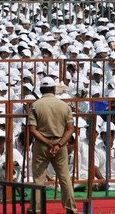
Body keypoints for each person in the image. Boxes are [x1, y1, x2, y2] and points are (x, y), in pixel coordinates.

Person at [27, 76, 76, 214]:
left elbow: (32, 130)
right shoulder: (63, 105)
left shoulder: (36, 105)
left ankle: (36, 209)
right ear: (54, 89)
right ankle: (70, 207)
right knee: (65, 177)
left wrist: (48, 143)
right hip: (60, 143)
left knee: (39, 178)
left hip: (42, 144)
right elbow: (70, 129)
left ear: (41, 89)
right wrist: (58, 144)